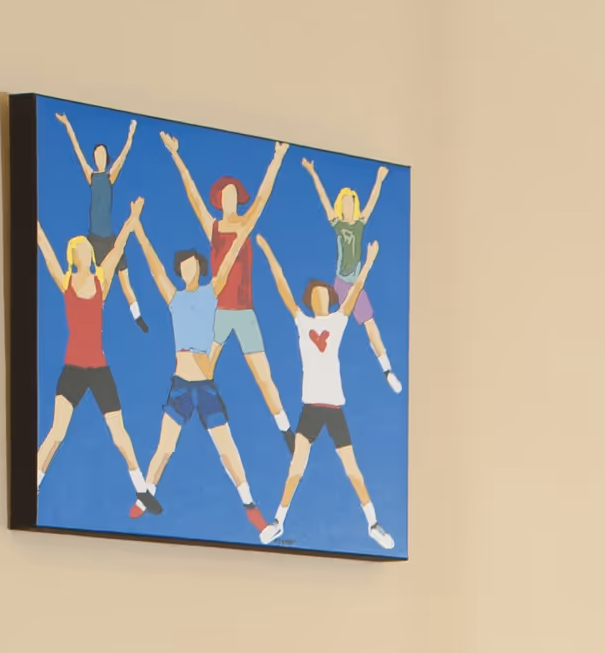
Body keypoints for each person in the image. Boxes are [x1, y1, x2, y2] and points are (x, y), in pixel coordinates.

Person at [125, 213, 268, 531]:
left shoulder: (211, 292)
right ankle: (144, 496)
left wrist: (241, 235)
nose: (187, 268)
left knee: (226, 446)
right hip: (180, 385)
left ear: (200, 268)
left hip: (204, 386)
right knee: (165, 446)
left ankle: (250, 504)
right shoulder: (174, 298)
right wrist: (137, 226)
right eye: (183, 265)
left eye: (192, 264)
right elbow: (154, 266)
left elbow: (230, 260)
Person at [252, 236, 395, 550]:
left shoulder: (338, 321)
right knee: (296, 467)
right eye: (315, 295)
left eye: (324, 295)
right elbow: (281, 285)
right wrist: (267, 250)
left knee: (351, 467)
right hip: (310, 408)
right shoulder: (302, 322)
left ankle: (373, 522)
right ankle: (278, 522)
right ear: (309, 300)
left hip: (334, 407)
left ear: (330, 299)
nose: (321, 299)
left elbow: (355, 290)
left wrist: (369, 261)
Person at [159, 130, 292, 435]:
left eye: (233, 194)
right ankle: (183, 421)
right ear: (219, 200)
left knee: (262, 373)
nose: (229, 198)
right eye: (225, 195)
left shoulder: (246, 223)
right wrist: (176, 154)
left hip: (244, 311)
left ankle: (285, 428)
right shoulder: (214, 226)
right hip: (217, 311)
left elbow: (263, 194)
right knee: (203, 372)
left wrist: (278, 159)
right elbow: (192, 194)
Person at [32, 202, 152, 501]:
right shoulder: (67, 282)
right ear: (75, 256)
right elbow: (44, 248)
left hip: (98, 369)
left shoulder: (102, 282)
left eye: (87, 246)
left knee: (119, 434)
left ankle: (141, 488)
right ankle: (30, 482)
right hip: (73, 368)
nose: (87, 248)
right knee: (57, 433)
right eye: (82, 247)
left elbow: (119, 243)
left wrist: (133, 217)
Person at [300, 157, 403, 392]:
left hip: (356, 283)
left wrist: (379, 179)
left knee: (370, 325)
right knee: (331, 328)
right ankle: (320, 369)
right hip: (340, 284)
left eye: (351, 203)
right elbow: (323, 199)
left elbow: (372, 202)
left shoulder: (359, 224)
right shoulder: (338, 224)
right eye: (344, 203)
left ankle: (387, 370)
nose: (347, 206)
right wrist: (313, 173)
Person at [54, 109, 148, 329]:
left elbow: (124, 155)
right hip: (94, 241)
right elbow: (77, 151)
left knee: (125, 281)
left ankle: (138, 316)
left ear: (106, 158)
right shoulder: (91, 176)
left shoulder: (109, 176)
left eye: (102, 155)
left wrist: (131, 134)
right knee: (98, 288)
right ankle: (92, 323)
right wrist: (68, 125)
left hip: (110, 240)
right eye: (96, 155)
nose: (98, 158)